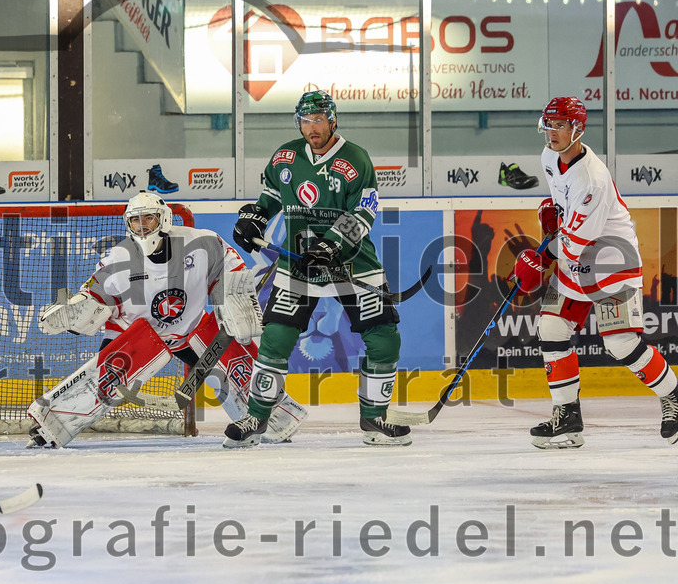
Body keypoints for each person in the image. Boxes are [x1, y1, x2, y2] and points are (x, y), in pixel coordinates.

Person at [28, 191, 308, 448]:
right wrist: (76, 310)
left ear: (163, 219)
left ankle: (277, 421)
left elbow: (228, 265)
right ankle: (51, 427)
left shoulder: (200, 243)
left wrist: (235, 299)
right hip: (133, 330)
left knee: (234, 369)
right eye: (135, 220)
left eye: (148, 218)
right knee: (103, 382)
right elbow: (96, 296)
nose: (142, 226)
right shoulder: (120, 256)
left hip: (189, 329)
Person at [230, 90, 409, 447]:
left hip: (352, 264)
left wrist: (332, 244)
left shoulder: (356, 159)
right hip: (299, 265)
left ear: (333, 120)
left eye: (319, 120)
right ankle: (257, 418)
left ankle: (374, 419)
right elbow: (271, 197)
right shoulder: (285, 157)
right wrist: (254, 218)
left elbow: (364, 212)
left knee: (384, 338)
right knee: (276, 339)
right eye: (305, 121)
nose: (312, 127)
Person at [513, 97, 678, 449]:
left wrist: (540, 260)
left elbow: (575, 243)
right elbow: (564, 214)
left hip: (610, 261)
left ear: (578, 129)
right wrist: (553, 212)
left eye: (560, 125)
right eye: (549, 124)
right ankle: (567, 419)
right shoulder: (548, 157)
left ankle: (673, 395)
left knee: (621, 344)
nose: (552, 132)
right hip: (576, 257)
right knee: (551, 327)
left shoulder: (593, 179)